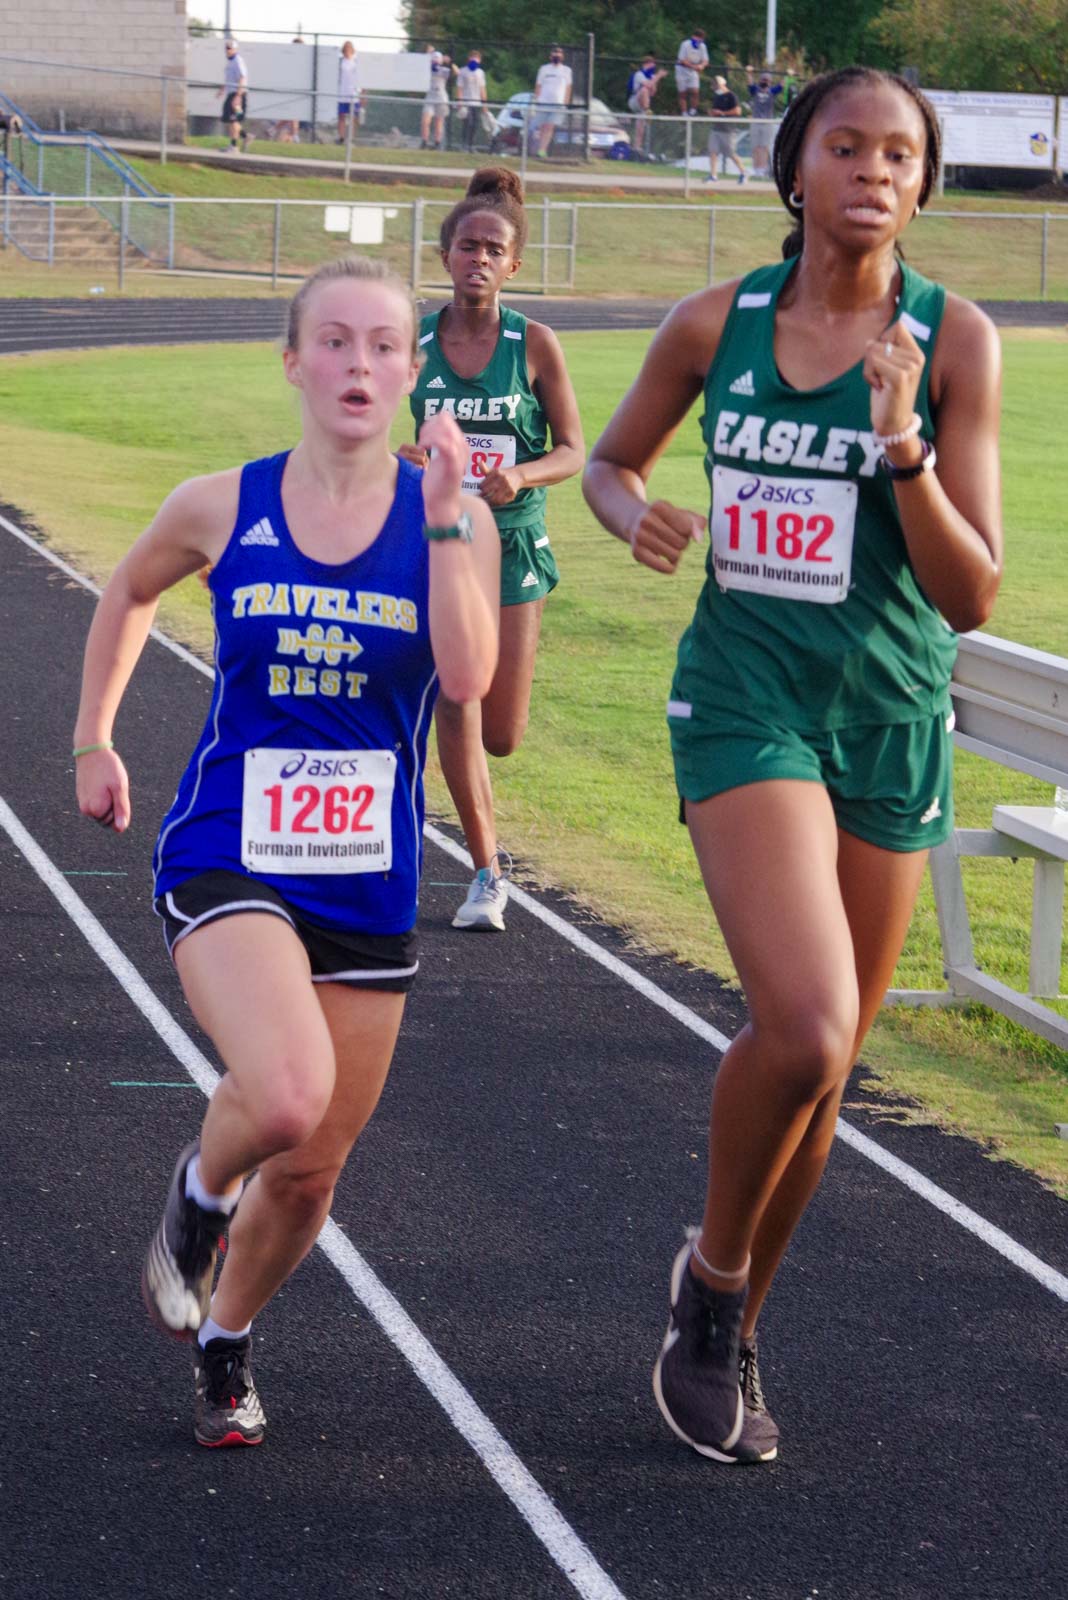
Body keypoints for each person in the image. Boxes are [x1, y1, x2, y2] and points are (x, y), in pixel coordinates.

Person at [583, 66, 1002, 1463]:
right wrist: (632, 514)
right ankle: (711, 1281)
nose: (875, 170)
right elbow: (612, 464)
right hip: (744, 700)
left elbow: (970, 595)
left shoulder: (954, 342)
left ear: (923, 186)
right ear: (794, 169)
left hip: (888, 716)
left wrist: (903, 445)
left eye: (901, 155)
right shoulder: (718, 325)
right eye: (847, 146)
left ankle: (735, 1327)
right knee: (810, 1025)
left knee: (827, 1075)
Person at [72, 256, 500, 1447]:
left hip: (368, 877)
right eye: (336, 341)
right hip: (231, 849)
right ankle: (200, 1193)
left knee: (310, 1171)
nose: (359, 363)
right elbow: (130, 589)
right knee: (286, 1088)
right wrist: (94, 737)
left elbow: (468, 677)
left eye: (384, 346)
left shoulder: (455, 518)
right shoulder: (223, 503)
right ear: (294, 361)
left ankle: (226, 1336)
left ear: (412, 374)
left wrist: (450, 516)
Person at [400, 169, 585, 931]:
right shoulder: (413, 341)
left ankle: (482, 854)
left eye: (493, 249)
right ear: (445, 254)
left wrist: (520, 473)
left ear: (514, 265)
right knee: (456, 697)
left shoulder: (533, 343)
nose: (478, 258)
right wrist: (404, 459)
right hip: (444, 541)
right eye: (467, 245)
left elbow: (573, 450)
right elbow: (371, 427)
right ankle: (486, 873)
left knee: (501, 733)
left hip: (511, 545)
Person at [533, 45, 573, 160]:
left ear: (562, 57)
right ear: (550, 56)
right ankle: (538, 148)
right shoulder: (544, 69)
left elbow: (568, 87)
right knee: (542, 126)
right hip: (543, 102)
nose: (557, 56)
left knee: (550, 126)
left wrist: (566, 103)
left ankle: (542, 150)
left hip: (558, 104)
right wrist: (536, 100)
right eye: (555, 54)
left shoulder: (567, 70)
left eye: (559, 54)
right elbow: (538, 85)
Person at [707, 74, 747, 184]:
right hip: (716, 128)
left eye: (716, 85)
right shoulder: (717, 97)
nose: (714, 87)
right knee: (713, 151)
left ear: (721, 85)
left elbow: (738, 111)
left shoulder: (731, 96)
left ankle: (743, 172)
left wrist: (723, 113)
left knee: (731, 153)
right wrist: (712, 113)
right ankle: (713, 175)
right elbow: (715, 111)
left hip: (728, 130)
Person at [626, 54, 667, 157]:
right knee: (644, 89)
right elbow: (647, 85)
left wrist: (656, 79)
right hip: (634, 100)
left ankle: (637, 147)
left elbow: (652, 93)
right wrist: (658, 76)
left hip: (643, 103)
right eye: (651, 65)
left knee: (640, 126)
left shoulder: (652, 76)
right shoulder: (639, 74)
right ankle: (647, 110)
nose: (653, 67)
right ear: (646, 64)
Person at [746, 68, 783, 177]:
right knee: (755, 146)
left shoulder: (772, 91)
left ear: (770, 82)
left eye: (767, 80)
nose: (764, 81)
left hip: (767, 122)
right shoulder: (755, 90)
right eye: (763, 79)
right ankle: (755, 168)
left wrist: (787, 75)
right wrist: (749, 73)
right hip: (756, 122)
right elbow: (750, 83)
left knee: (764, 147)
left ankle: (762, 168)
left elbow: (782, 85)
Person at [421, 47, 455, 150]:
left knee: (439, 122)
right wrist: (427, 55)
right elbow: (419, 66)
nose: (435, 61)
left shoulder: (444, 70)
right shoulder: (427, 69)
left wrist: (450, 62)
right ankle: (424, 142)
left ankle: (437, 143)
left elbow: (456, 72)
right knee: (425, 121)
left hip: (441, 98)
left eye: (437, 59)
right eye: (434, 59)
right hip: (430, 97)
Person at [456, 49, 488, 154]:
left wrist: (484, 105)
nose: (475, 60)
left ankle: (471, 145)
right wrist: (460, 102)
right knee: (467, 123)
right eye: (473, 57)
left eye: (477, 58)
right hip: (466, 102)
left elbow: (482, 89)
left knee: (475, 124)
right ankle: (464, 145)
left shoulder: (480, 72)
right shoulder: (463, 71)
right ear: (469, 58)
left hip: (477, 102)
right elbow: (460, 88)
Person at [220, 38, 249, 152]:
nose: (227, 50)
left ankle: (234, 146)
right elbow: (229, 79)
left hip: (237, 95)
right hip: (231, 94)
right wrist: (222, 89)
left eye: (229, 48)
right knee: (231, 120)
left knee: (234, 120)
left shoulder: (238, 61)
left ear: (235, 49)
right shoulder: (230, 62)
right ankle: (245, 137)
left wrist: (238, 96)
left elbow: (242, 78)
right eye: (226, 48)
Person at [675, 29, 709, 116]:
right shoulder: (685, 44)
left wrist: (702, 66)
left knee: (695, 91)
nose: (698, 40)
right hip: (681, 70)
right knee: (682, 93)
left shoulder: (702, 46)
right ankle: (684, 113)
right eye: (697, 37)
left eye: (700, 38)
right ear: (693, 36)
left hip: (693, 71)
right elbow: (682, 60)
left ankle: (693, 111)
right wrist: (693, 66)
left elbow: (705, 60)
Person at [337, 41, 360, 146]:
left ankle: (350, 139)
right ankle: (341, 138)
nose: (347, 51)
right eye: (345, 48)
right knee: (341, 116)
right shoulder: (340, 62)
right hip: (342, 94)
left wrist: (361, 92)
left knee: (353, 117)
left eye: (349, 48)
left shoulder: (356, 62)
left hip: (353, 95)